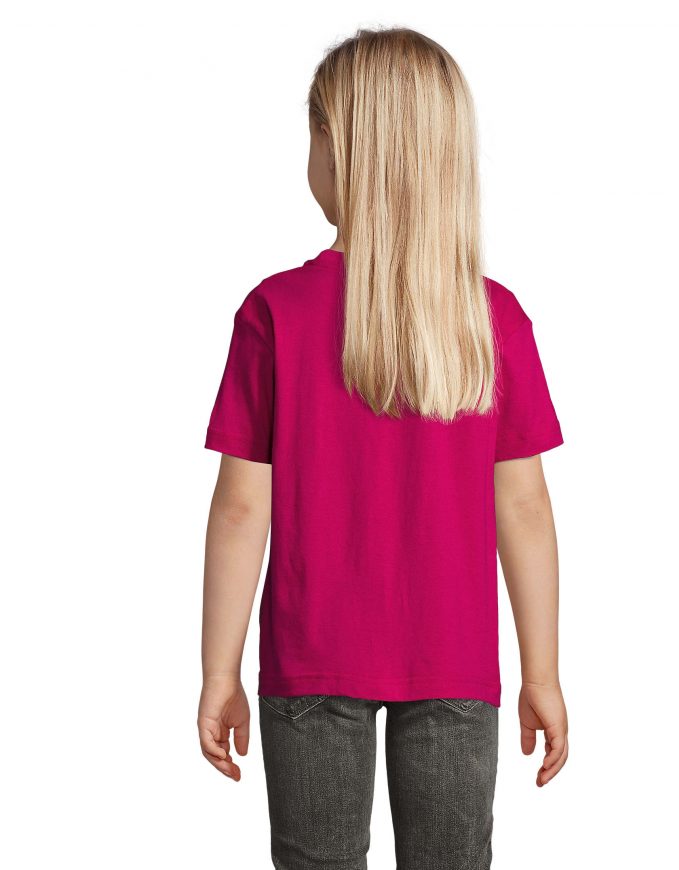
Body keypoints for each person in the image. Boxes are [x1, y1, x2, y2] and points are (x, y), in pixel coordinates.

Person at [197, 26, 569, 870]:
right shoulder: (492, 319)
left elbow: (241, 508)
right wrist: (541, 673)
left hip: (311, 657)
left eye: (313, 136)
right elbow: (525, 508)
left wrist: (219, 671)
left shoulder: (276, 313)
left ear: (342, 150)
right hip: (456, 663)